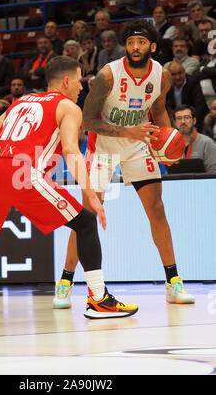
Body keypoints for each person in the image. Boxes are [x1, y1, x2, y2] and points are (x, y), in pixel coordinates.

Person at [0, 55, 141, 324]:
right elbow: (70, 151)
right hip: (23, 172)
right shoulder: (68, 107)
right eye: (78, 81)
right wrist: (91, 195)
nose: (81, 87)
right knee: (86, 223)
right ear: (65, 81)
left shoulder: (20, 102)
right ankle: (99, 300)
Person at [53, 19, 195, 310]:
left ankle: (173, 283)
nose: (135, 47)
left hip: (139, 145)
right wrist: (128, 131)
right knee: (87, 217)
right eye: (130, 42)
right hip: (102, 147)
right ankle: (65, 282)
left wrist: (164, 145)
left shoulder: (161, 75)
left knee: (157, 210)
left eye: (141, 42)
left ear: (152, 47)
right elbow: (88, 121)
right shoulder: (108, 75)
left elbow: (157, 110)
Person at [173, 104, 216, 173]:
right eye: (179, 118)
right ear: (175, 123)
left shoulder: (207, 143)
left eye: (187, 117)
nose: (183, 121)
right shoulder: (171, 145)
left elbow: (213, 173)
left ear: (194, 121)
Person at [166, 61, 209, 132]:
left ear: (184, 71)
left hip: (195, 118)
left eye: (180, 73)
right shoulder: (167, 85)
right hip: (178, 118)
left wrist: (194, 124)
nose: (177, 77)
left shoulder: (193, 82)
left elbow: (199, 106)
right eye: (173, 74)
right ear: (169, 75)